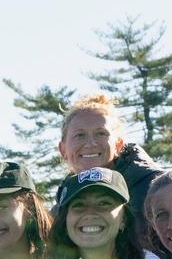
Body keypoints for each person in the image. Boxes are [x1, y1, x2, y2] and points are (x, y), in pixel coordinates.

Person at [57, 93, 162, 241]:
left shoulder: (156, 189)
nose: (90, 143)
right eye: (80, 135)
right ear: (63, 149)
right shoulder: (60, 208)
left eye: (101, 133)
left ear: (119, 145)